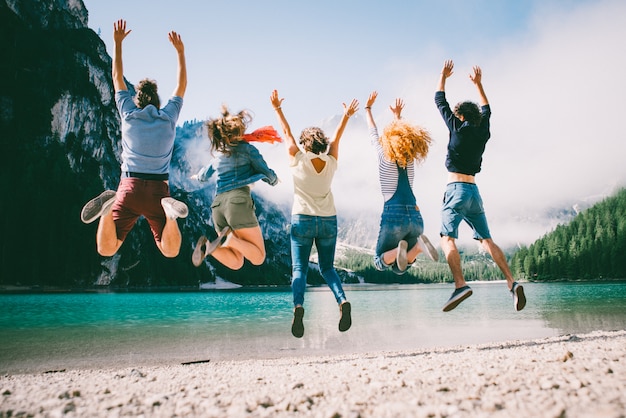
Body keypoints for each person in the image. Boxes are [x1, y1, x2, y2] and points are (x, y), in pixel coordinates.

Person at [80, 19, 188, 258]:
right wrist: (180, 52)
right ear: (158, 102)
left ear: (137, 100)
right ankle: (170, 214)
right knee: (170, 251)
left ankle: (107, 211)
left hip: (128, 188)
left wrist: (117, 43)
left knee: (106, 248)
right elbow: (181, 85)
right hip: (159, 193)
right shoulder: (168, 117)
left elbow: (117, 76)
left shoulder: (128, 114)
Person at [435, 59, 526, 312]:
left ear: (460, 115)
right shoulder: (482, 131)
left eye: (456, 114)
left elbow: (439, 100)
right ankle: (511, 282)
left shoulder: (456, 127)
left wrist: (443, 76)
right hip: (474, 192)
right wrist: (479, 85)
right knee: (486, 239)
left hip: (456, 190)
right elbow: (487, 110)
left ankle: (460, 284)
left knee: (447, 238)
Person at [270, 89, 358, 338]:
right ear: (321, 144)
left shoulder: (297, 159)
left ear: (304, 143)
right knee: (328, 268)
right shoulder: (331, 162)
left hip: (302, 219)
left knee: (299, 270)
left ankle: (298, 307)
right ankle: (342, 301)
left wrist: (277, 108)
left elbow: (286, 133)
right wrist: (346, 116)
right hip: (328, 220)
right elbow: (337, 139)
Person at [191, 106, 279, 271]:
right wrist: (274, 180)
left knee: (236, 262)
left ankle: (210, 246)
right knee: (259, 257)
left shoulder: (218, 153)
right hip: (237, 202)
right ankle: (229, 239)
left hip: (218, 206)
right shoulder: (248, 150)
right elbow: (267, 173)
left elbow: (203, 176)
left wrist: (197, 176)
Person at [365, 91, 439, 276]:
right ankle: (418, 247)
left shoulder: (384, 158)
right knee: (400, 268)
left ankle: (402, 250)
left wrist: (368, 109)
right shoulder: (409, 159)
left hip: (394, 215)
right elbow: (403, 138)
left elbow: (373, 135)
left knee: (379, 261)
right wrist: (397, 117)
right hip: (415, 216)